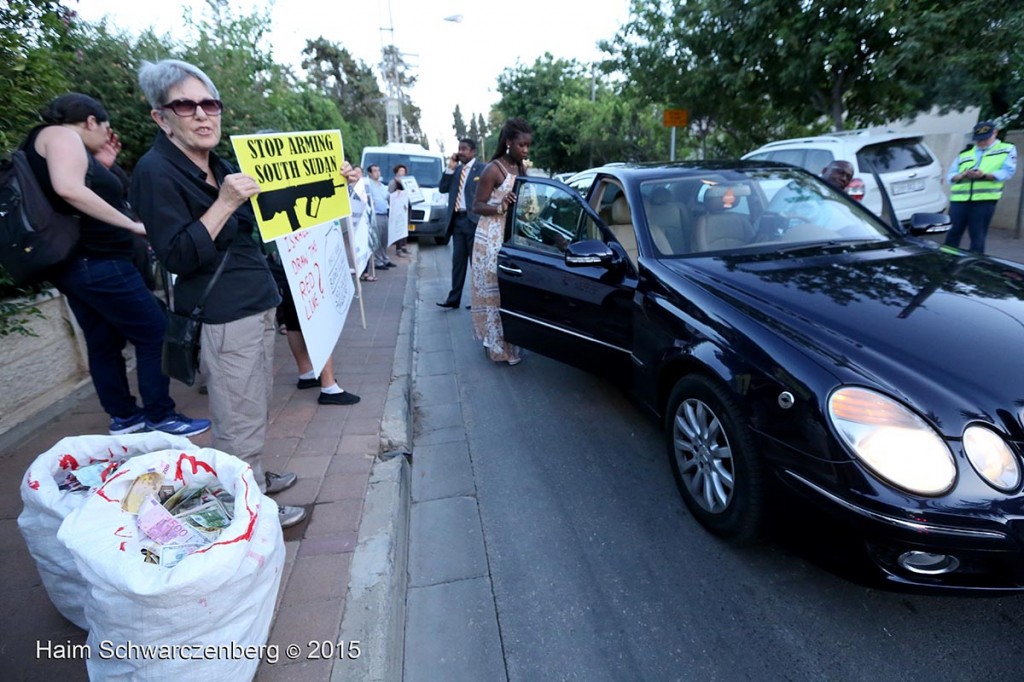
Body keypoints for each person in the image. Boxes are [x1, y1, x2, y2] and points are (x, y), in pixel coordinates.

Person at [128, 59, 305, 528]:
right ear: (161, 117)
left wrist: (333, 184)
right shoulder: (156, 172)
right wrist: (225, 203)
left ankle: (255, 478)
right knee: (237, 418)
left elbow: (266, 214)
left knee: (251, 406)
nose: (203, 115)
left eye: (210, 104)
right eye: (186, 106)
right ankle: (247, 514)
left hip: (253, 301)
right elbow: (179, 257)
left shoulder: (215, 163)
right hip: (223, 313)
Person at [23, 93, 210, 438]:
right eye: (104, 128)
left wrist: (102, 165)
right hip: (99, 260)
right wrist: (132, 225)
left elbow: (70, 189)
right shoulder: (62, 135)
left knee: (103, 340)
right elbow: (69, 189)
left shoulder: (45, 142)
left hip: (76, 264)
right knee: (156, 331)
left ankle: (125, 417)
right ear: (91, 121)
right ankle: (160, 416)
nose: (106, 136)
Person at [264, 241, 361, 406]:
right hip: (301, 253)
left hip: (282, 258)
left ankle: (306, 372)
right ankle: (328, 384)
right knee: (317, 314)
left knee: (293, 319)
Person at [471, 117, 533, 365]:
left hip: (512, 237)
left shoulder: (522, 168)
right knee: (494, 293)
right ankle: (496, 345)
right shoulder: (493, 169)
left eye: (528, 145)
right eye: (522, 145)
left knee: (509, 293)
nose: (525, 150)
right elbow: (476, 205)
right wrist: (499, 207)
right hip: (491, 239)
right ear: (509, 142)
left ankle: (510, 342)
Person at [944, 120, 1019, 254]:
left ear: (995, 133)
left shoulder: (1006, 149)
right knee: (952, 233)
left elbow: (1007, 172)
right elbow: (951, 176)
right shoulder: (965, 153)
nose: (982, 142)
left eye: (985, 139)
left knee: (977, 236)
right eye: (979, 140)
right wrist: (962, 175)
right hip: (959, 200)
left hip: (983, 200)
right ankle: (946, 262)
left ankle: (975, 266)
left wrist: (984, 175)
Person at [437, 138, 485, 309]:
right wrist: (450, 168)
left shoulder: (482, 169)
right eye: (459, 148)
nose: (461, 152)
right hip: (457, 222)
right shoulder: (456, 170)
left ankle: (478, 301)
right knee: (458, 263)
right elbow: (442, 188)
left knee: (476, 263)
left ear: (473, 151)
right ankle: (453, 299)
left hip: (474, 222)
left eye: (464, 149)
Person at [366, 164, 394, 270]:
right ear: (370, 173)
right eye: (374, 171)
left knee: (384, 238)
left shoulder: (382, 186)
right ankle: (378, 261)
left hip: (384, 214)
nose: (377, 173)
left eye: (378, 170)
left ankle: (385, 258)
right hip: (375, 215)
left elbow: (388, 197)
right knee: (377, 238)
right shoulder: (369, 185)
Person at [388, 164, 411, 257]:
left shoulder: (407, 182)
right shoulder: (393, 182)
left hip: (406, 208)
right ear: (396, 172)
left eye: (404, 171)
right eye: (401, 171)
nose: (403, 173)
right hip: (398, 209)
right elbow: (390, 194)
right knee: (399, 228)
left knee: (405, 227)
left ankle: (404, 246)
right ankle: (398, 249)